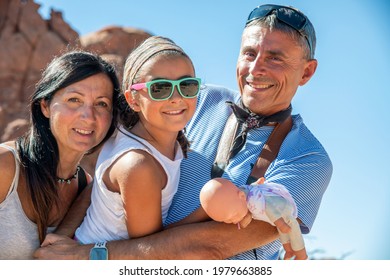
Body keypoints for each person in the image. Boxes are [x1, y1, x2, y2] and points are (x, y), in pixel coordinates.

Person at [35, 4, 332, 260]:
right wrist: (63, 237)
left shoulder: (307, 159)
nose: (256, 68)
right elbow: (108, 177)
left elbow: (207, 249)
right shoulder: (195, 100)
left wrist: (85, 256)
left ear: (306, 72)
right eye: (250, 53)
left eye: (275, 58)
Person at [73, 36, 200, 245]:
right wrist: (208, 213)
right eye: (160, 88)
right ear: (133, 99)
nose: (176, 97)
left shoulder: (130, 134)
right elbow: (149, 250)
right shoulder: (138, 165)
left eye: (187, 85)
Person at [0, 50, 120, 259]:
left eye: (102, 103)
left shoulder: (88, 187)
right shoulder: (5, 166)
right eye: (74, 100)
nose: (89, 117)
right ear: (45, 106)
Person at [197, 177, 308, 260]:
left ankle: (302, 254)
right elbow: (250, 187)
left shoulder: (254, 200)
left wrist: (279, 222)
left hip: (280, 209)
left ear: (241, 196)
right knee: (282, 233)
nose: (234, 221)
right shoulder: (239, 196)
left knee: (292, 228)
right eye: (227, 220)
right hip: (270, 217)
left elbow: (268, 206)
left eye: (235, 215)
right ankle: (288, 250)